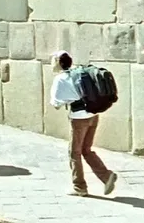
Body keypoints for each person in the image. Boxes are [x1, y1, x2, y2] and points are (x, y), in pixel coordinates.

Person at [50, 53, 118, 197]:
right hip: (93, 115)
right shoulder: (79, 72)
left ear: (57, 62)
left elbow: (55, 103)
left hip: (78, 118)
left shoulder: (61, 79)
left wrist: (67, 99)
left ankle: (79, 186)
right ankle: (106, 177)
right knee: (86, 149)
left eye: (52, 60)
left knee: (74, 152)